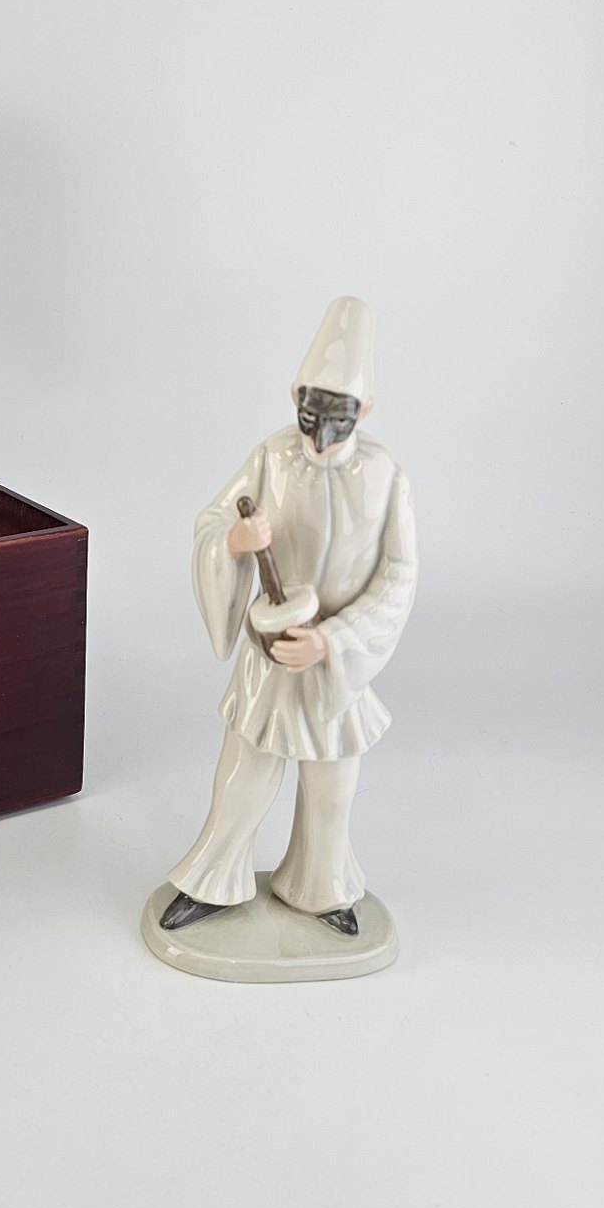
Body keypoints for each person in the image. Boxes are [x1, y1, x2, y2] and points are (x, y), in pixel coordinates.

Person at [160, 297, 418, 935]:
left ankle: (321, 886)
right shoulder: (272, 457)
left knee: (332, 787)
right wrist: (233, 542)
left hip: (334, 664)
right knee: (244, 776)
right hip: (272, 654)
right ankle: (214, 879)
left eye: (338, 421)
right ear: (295, 397)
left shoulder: (386, 476)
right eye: (310, 417)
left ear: (366, 411)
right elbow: (215, 520)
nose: (321, 437)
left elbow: (398, 574)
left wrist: (334, 640)